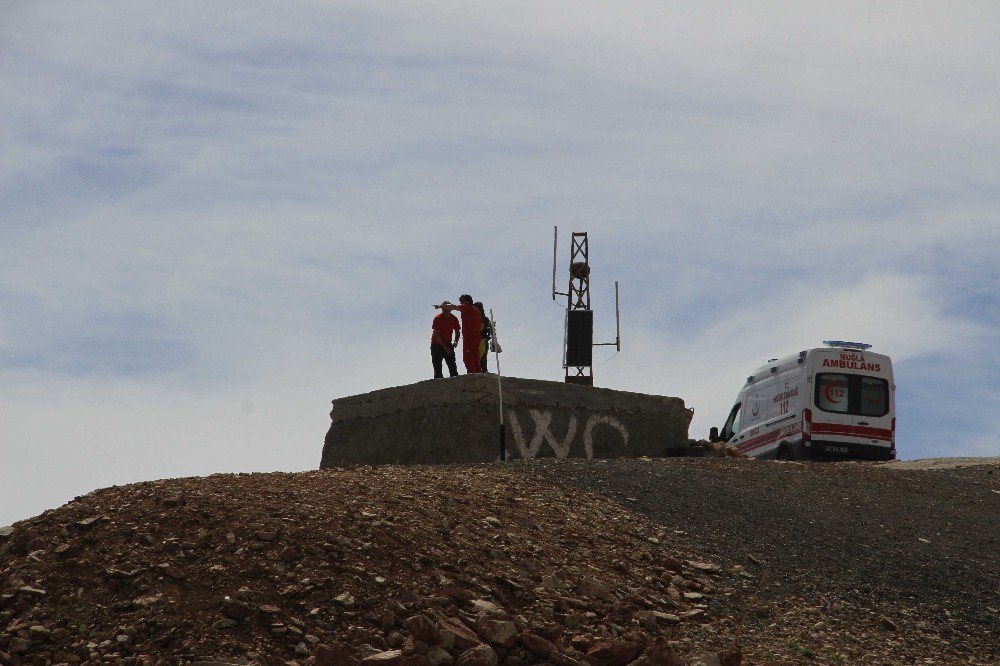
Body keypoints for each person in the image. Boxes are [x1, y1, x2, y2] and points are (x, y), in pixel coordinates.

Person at [434, 295, 483, 373]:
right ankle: (477, 373)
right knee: (475, 356)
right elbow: (482, 326)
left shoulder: (467, 307)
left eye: (462, 301)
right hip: (476, 337)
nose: (461, 303)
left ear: (467, 301)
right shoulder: (477, 311)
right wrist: (475, 331)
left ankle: (472, 375)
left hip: (469, 337)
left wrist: (440, 306)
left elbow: (453, 307)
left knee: (468, 357)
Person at [430, 301, 460, 378]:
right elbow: (437, 334)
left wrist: (456, 341)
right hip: (436, 345)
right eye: (444, 309)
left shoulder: (454, 319)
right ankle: (438, 387)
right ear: (442, 309)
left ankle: (456, 386)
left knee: (453, 368)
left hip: (448, 344)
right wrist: (445, 347)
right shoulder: (438, 318)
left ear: (450, 309)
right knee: (438, 369)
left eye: (448, 309)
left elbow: (457, 331)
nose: (446, 311)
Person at [474, 301, 492, 373]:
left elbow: (482, 328)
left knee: (482, 358)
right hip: (475, 340)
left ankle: (484, 371)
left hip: (482, 340)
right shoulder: (473, 319)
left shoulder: (484, 319)